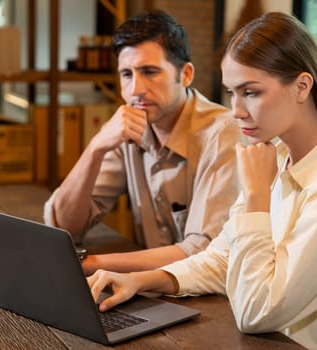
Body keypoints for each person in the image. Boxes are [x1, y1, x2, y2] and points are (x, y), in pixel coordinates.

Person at [86, 12, 317, 350]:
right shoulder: (275, 156)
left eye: (250, 92)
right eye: (231, 93)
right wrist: (138, 280)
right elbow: (224, 258)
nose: (235, 110)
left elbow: (256, 313)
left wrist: (257, 197)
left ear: (302, 87)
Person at [43, 10, 241, 275]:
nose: (136, 89)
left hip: (217, 300)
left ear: (185, 75)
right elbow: (65, 226)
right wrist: (95, 148)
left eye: (149, 72)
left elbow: (203, 251)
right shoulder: (128, 129)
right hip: (152, 291)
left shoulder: (224, 133)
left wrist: (94, 264)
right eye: (127, 74)